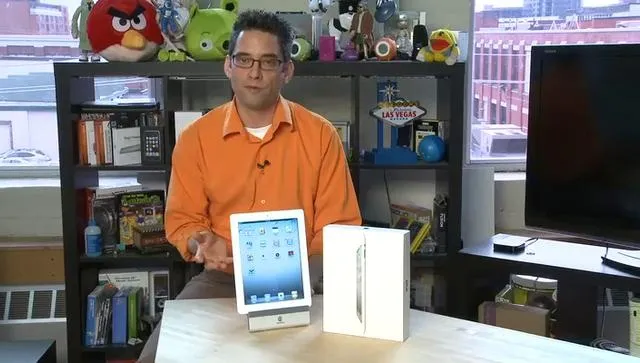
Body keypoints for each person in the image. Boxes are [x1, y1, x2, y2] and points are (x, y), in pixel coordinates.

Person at [136, 9, 362, 363]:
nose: (254, 73)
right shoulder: (196, 139)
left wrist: (306, 282)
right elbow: (183, 222)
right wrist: (201, 242)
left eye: (268, 62)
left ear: (287, 70)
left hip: (306, 280)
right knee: (157, 356)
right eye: (244, 60)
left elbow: (340, 229)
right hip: (223, 280)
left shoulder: (321, 136)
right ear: (228, 66)